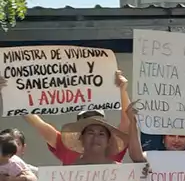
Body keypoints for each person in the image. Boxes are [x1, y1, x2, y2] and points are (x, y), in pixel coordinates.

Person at [0, 70, 132, 165]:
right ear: (80, 134)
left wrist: (122, 91)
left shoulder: (114, 148)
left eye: (101, 131)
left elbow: (128, 120)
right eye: (89, 131)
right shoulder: (65, 146)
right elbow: (37, 122)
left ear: (108, 138)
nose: (95, 136)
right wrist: (8, 91)